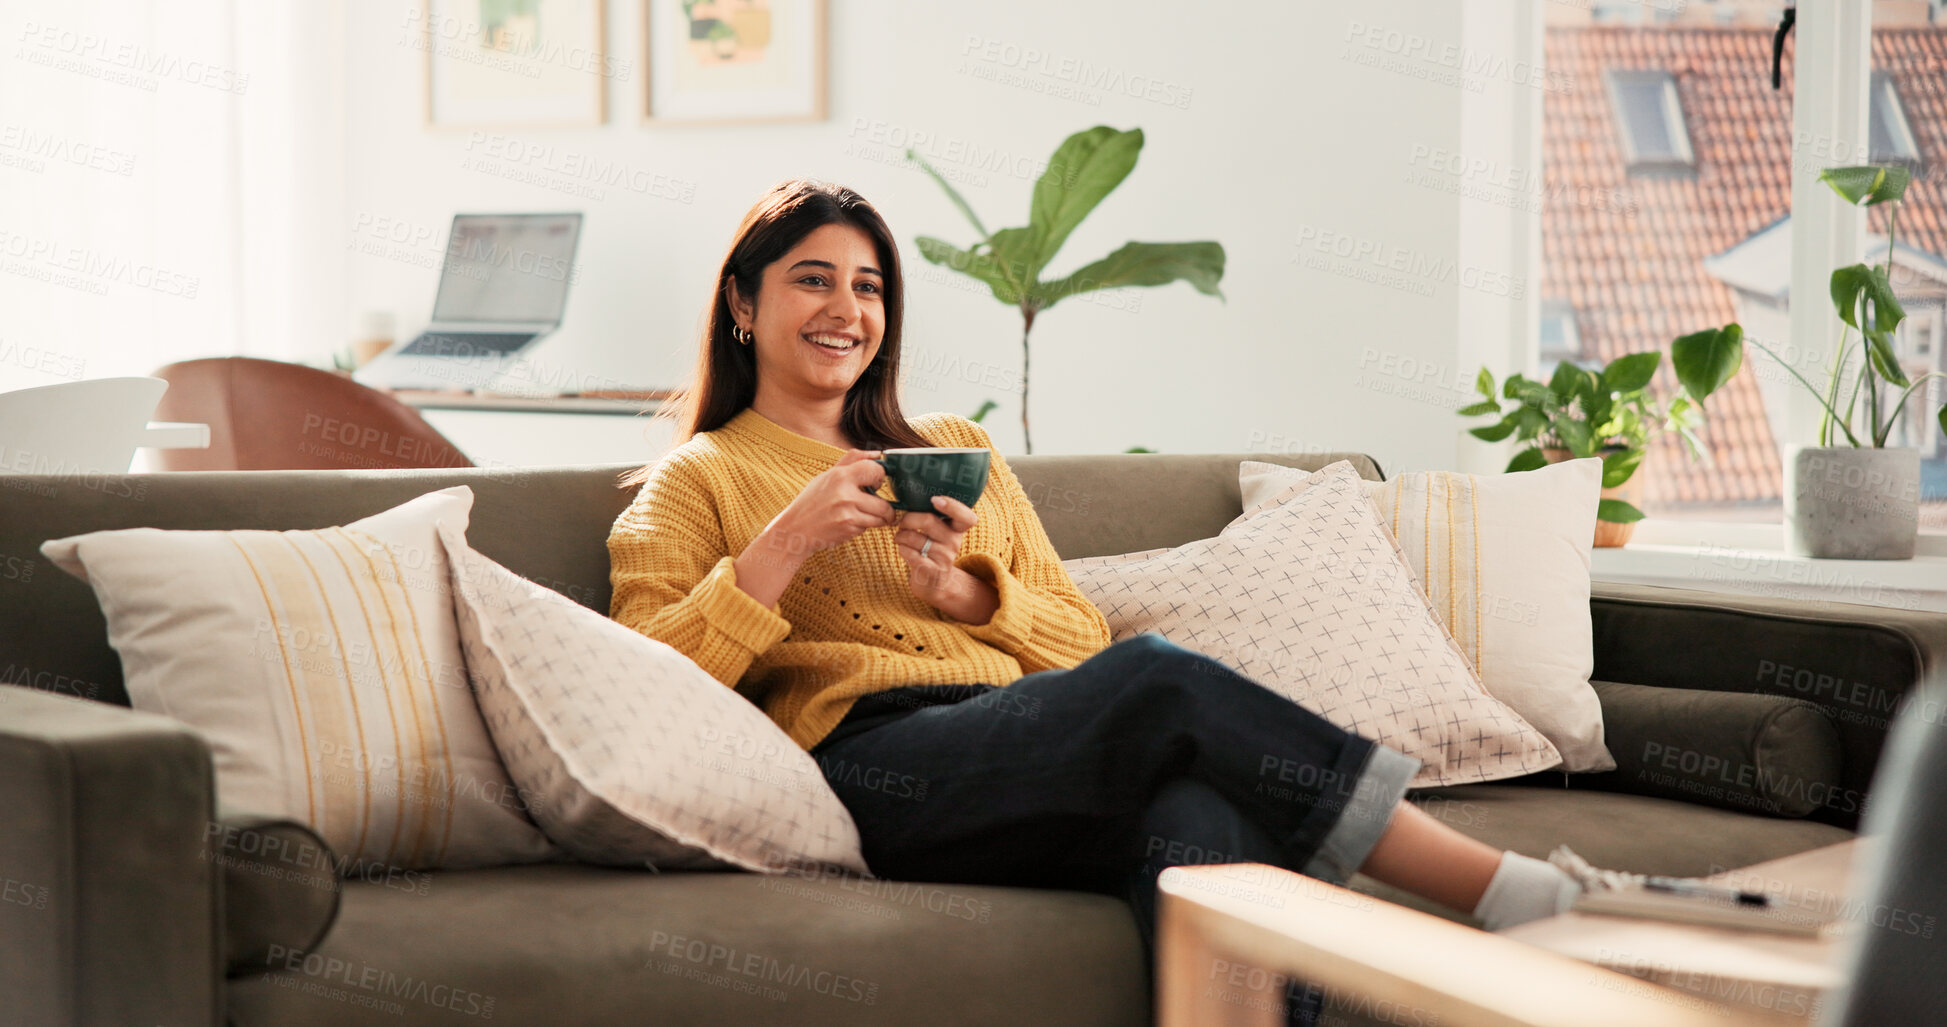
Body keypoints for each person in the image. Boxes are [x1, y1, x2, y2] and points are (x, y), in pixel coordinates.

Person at [607, 179, 1629, 983]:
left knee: (1204, 827)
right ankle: (1503, 891)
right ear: (744, 300)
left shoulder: (955, 448)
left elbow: (1079, 638)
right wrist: (782, 546)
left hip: (1029, 739)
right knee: (1165, 681)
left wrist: (974, 599)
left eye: (869, 285)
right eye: (813, 279)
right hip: (872, 768)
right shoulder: (698, 478)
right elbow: (645, 691)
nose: (847, 308)